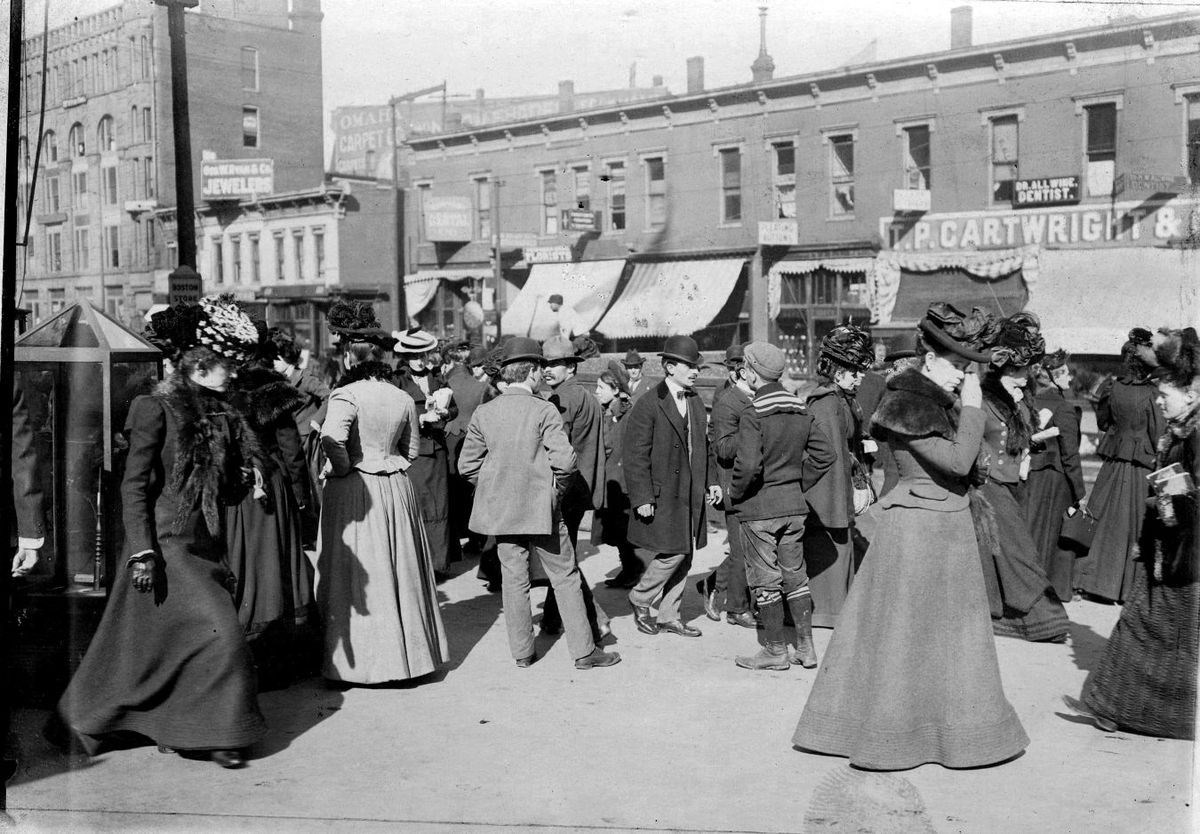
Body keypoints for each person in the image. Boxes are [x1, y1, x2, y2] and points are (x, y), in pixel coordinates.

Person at [793, 303, 1028, 770]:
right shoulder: (908, 403)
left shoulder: (937, 402)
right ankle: (895, 738)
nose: (964, 376)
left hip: (943, 528)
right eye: (958, 366)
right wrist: (976, 408)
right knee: (906, 639)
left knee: (944, 640)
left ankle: (953, 736)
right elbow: (960, 461)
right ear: (929, 358)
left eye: (968, 368)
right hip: (919, 530)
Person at [59, 297, 267, 768]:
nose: (232, 373)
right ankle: (222, 736)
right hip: (166, 545)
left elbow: (223, 483)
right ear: (197, 365)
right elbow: (133, 487)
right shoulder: (154, 408)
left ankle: (182, 728)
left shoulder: (221, 412)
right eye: (225, 365)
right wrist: (142, 552)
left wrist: (244, 479)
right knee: (222, 637)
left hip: (202, 543)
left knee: (163, 651)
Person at [1064, 327, 1199, 740]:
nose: (1159, 401)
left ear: (1191, 395)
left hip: (1184, 558)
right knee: (1142, 626)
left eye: (1166, 396)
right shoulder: (1177, 432)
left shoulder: (1194, 437)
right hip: (1164, 548)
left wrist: (1173, 502)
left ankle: (1148, 712)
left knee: (1167, 637)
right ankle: (1114, 705)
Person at [457, 337, 620, 670]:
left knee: (514, 580)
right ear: (531, 372)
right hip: (543, 512)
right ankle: (585, 652)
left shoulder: (485, 412)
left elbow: (467, 466)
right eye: (540, 369)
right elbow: (565, 462)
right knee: (565, 577)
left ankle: (522, 654)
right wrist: (554, 493)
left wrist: (495, 487)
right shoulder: (544, 409)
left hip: (503, 513)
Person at [315, 303, 448, 684]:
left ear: (347, 357)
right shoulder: (402, 397)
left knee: (359, 571)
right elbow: (410, 450)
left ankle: (362, 665)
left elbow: (331, 438)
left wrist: (341, 467)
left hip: (357, 487)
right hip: (397, 487)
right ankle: (410, 660)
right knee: (399, 568)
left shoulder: (346, 395)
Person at [730, 343, 836, 670]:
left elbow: (748, 467)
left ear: (750, 372)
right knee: (795, 577)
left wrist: (736, 492)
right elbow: (825, 455)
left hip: (760, 508)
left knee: (765, 580)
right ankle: (806, 649)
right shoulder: (800, 409)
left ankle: (775, 651)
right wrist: (798, 485)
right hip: (793, 507)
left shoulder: (753, 412)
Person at [972, 312, 1070, 643]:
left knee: (1005, 552)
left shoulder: (1021, 397)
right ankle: (1042, 618)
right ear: (1006, 367)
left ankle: (1007, 616)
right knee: (1018, 553)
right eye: (1023, 368)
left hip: (1015, 484)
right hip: (989, 485)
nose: (1029, 375)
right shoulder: (982, 397)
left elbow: (1018, 438)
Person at [226, 343, 318, 686]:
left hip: (237, 491)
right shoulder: (273, 390)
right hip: (271, 485)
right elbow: (290, 447)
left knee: (244, 562)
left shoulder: (225, 388)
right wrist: (299, 497)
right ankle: (280, 653)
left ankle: (246, 645)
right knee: (276, 564)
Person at [623, 335, 721, 638]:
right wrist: (642, 496)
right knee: (674, 551)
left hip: (689, 493)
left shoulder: (693, 401)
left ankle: (668, 615)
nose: (695, 371)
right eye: (689, 366)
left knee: (686, 552)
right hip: (663, 494)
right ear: (669, 367)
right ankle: (640, 596)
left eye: (696, 367)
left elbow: (705, 447)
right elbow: (635, 454)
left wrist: (712, 481)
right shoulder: (649, 403)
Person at [1075, 328, 1165, 603]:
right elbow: (1158, 432)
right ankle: (1125, 589)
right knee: (1136, 525)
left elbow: (1103, 423)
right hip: (1141, 466)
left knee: (1101, 520)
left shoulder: (1112, 386)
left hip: (1114, 464)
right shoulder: (1153, 393)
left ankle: (1091, 582)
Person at [538, 336, 611, 641]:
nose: (547, 370)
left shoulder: (561, 399)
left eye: (554, 364)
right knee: (563, 555)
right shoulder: (586, 395)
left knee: (561, 558)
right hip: (583, 486)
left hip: (566, 487)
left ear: (570, 367)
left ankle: (597, 620)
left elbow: (556, 447)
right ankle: (553, 620)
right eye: (545, 364)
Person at [803, 325, 876, 628]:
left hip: (838, 488)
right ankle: (825, 614)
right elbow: (829, 457)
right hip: (825, 493)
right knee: (830, 548)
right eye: (854, 370)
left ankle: (834, 611)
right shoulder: (826, 402)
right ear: (835, 370)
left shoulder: (843, 400)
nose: (860, 377)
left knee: (841, 547)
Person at [695, 344, 756, 629]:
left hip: (746, 478)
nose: (734, 370)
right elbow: (718, 445)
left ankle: (715, 584)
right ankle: (733, 603)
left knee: (743, 547)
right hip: (731, 477)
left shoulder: (751, 393)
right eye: (732, 366)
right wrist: (715, 484)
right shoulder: (726, 397)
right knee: (740, 548)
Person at [393, 327, 459, 575]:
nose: (419, 359)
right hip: (413, 450)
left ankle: (438, 564)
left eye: (422, 353)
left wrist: (444, 412)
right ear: (405, 356)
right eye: (413, 355)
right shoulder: (397, 379)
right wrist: (421, 418)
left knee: (438, 506)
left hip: (437, 449)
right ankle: (416, 565)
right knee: (418, 506)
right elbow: (394, 413)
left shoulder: (436, 377)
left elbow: (455, 409)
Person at [1025, 349, 1087, 602]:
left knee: (1031, 530)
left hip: (1031, 475)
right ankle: (1052, 589)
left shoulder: (1029, 402)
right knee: (1055, 537)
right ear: (1053, 376)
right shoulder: (1065, 409)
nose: (1069, 378)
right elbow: (1071, 456)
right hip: (1057, 480)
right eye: (1065, 373)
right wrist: (1080, 493)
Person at [592, 364, 640, 588]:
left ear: (615, 389)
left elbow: (612, 445)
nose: (597, 391)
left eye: (601, 387)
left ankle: (632, 569)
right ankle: (630, 567)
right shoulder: (607, 412)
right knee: (616, 530)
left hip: (620, 482)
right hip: (610, 480)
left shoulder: (625, 415)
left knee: (621, 529)